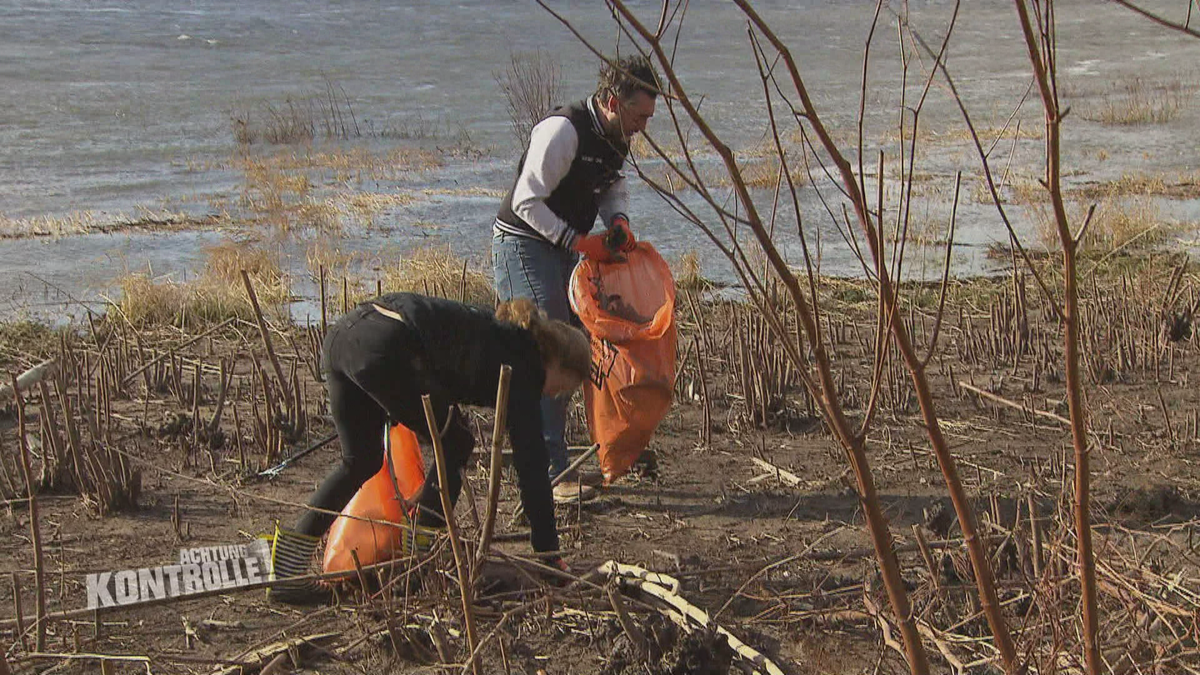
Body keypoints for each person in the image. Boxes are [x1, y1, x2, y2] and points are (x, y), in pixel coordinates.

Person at [269, 293, 591, 604]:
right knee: (457, 443)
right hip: (386, 345)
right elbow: (532, 465)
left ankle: (285, 573)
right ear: (556, 359)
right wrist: (548, 554)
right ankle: (416, 565)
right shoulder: (526, 364)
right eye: (562, 387)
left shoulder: (500, 335)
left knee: (360, 461)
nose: (554, 395)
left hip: (344, 336)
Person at [492, 54, 659, 502]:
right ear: (611, 100)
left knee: (576, 350)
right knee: (548, 348)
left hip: (566, 245)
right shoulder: (563, 130)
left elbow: (611, 185)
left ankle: (554, 458)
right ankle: (550, 472)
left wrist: (618, 222)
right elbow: (527, 201)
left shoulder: (617, 133)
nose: (644, 125)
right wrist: (581, 243)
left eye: (648, 117)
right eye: (639, 114)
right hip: (523, 242)